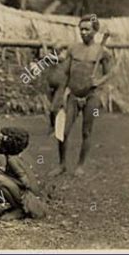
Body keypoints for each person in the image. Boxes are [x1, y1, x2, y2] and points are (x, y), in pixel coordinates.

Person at [48, 14, 113, 177]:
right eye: (81, 29)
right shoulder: (73, 48)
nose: (83, 32)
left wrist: (98, 82)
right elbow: (65, 71)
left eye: (87, 29)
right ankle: (62, 165)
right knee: (62, 130)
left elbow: (110, 73)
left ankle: (80, 166)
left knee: (86, 131)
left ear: (95, 31)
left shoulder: (102, 52)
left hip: (92, 96)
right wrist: (60, 92)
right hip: (73, 95)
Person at [0, 127, 46, 220]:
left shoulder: (12, 160)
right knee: (0, 177)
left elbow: (26, 183)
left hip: (31, 200)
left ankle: (20, 209)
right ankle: (16, 207)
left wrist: (6, 178)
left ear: (6, 145)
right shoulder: (13, 158)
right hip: (30, 197)